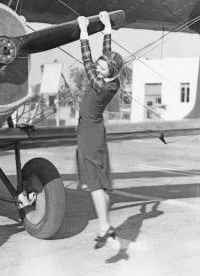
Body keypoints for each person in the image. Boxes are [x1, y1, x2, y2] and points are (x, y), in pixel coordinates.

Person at [76, 11, 123, 249]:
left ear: (108, 74)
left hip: (89, 134)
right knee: (99, 184)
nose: (98, 67)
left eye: (102, 68)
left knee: (94, 183)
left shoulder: (100, 85)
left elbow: (87, 61)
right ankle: (109, 228)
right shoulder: (112, 80)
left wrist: (83, 31)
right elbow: (106, 57)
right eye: (99, 65)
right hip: (95, 130)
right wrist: (107, 28)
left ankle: (105, 226)